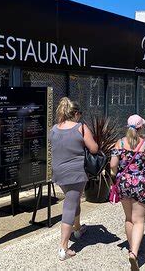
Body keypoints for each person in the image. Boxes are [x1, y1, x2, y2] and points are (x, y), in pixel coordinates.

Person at [50, 97, 98, 261]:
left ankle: (77, 229)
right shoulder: (81, 128)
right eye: (80, 114)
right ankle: (63, 247)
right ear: (76, 113)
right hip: (76, 173)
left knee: (74, 200)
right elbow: (94, 148)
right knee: (70, 205)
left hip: (59, 173)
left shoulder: (54, 129)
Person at [110, 114, 145, 271]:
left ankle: (131, 248)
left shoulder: (120, 143)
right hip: (141, 184)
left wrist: (116, 178)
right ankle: (134, 253)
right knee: (139, 220)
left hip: (124, 184)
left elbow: (113, 166)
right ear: (141, 127)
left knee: (129, 218)